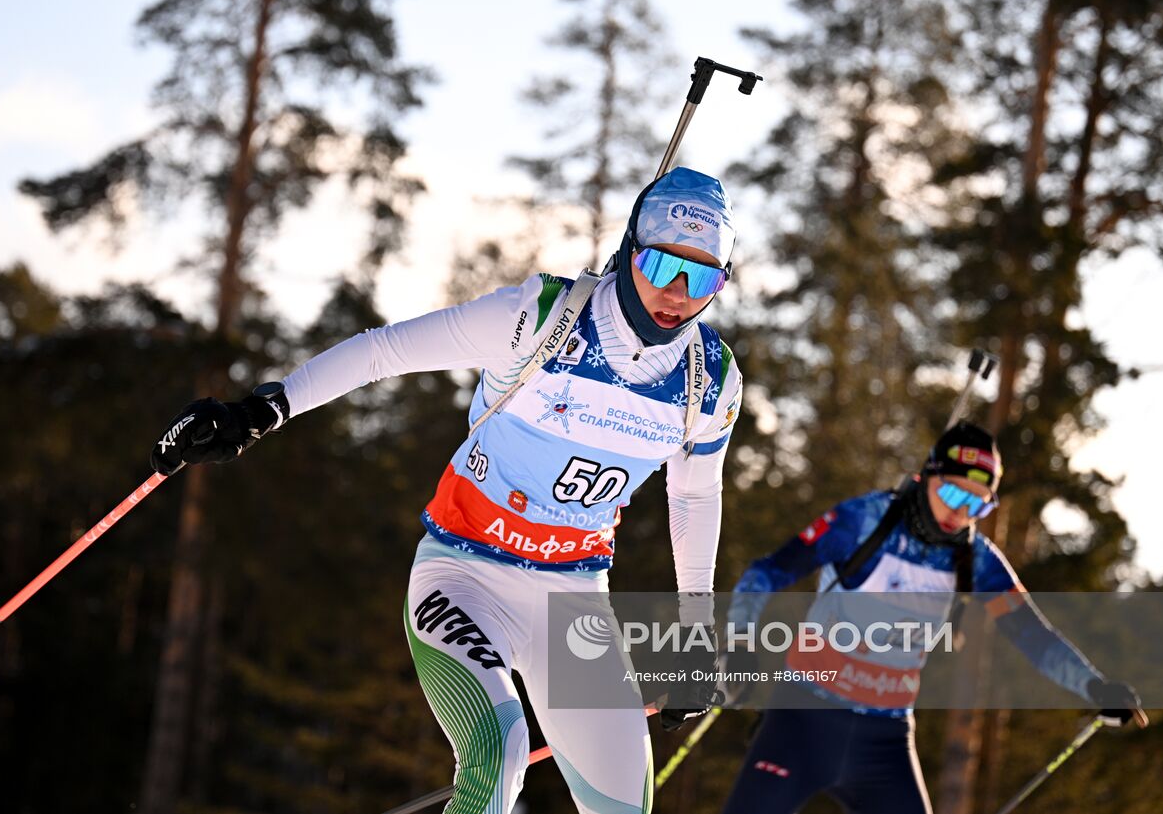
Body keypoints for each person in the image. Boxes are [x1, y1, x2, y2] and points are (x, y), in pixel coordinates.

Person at [149, 166, 744, 814]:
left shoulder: (707, 381)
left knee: (628, 804)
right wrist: (262, 410)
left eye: (702, 276)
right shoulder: (538, 315)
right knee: (500, 751)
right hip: (465, 576)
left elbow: (693, 497)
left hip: (572, 603)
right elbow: (383, 352)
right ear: (631, 250)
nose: (679, 293)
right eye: (662, 267)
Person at [719, 421, 1143, 814]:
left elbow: (1033, 635)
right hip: (803, 720)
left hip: (884, 743)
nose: (961, 514)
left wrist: (1094, 685)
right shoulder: (865, 521)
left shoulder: (975, 560)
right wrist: (739, 644)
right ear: (927, 477)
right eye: (955, 495)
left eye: (979, 506)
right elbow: (768, 571)